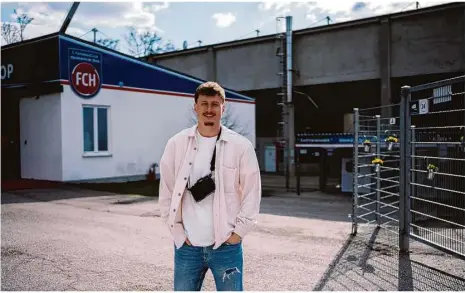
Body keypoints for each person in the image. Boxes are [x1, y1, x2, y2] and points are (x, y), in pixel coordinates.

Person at [158, 81, 261, 291]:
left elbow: (252, 192)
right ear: (195, 107)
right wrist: (177, 232)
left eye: (215, 104)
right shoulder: (176, 144)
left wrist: (238, 234)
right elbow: (166, 191)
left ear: (223, 107)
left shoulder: (241, 146)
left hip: (226, 245)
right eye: (204, 103)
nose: (209, 109)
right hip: (187, 247)